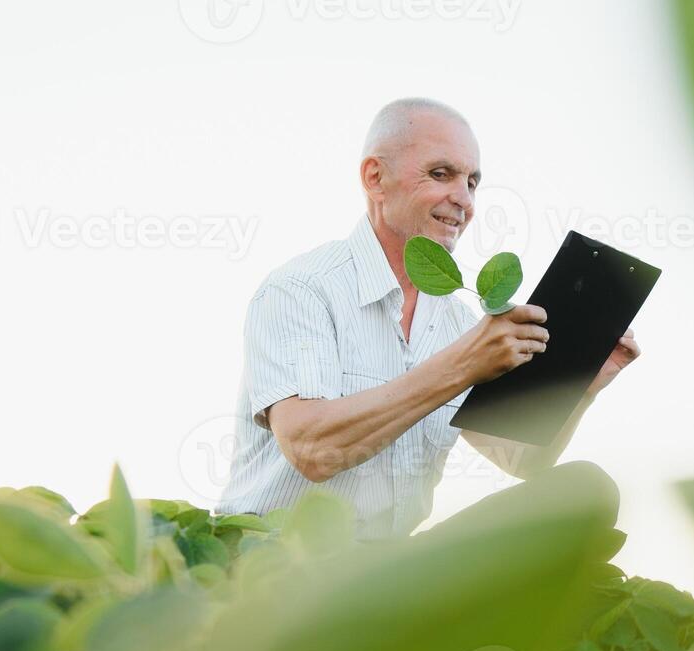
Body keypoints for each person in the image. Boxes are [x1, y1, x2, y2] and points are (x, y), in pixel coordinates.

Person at [217, 97, 639, 542]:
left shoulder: (459, 323)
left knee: (584, 491)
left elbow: (519, 458)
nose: (464, 199)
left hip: (384, 572)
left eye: (473, 182)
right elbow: (312, 448)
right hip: (272, 564)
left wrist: (582, 387)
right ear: (375, 178)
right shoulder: (300, 289)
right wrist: (463, 365)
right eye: (441, 174)